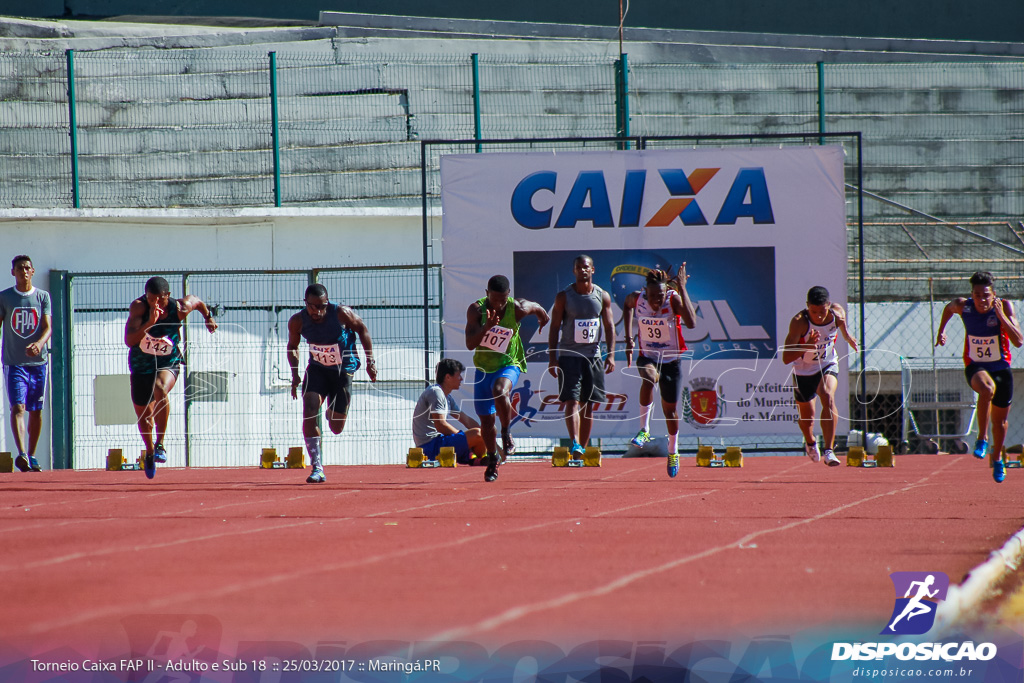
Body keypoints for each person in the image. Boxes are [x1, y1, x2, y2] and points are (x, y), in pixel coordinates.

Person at [124, 276, 218, 479]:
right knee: (144, 417)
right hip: (141, 366)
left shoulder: (180, 308)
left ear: (168, 295)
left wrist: (208, 316)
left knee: (160, 388)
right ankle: (149, 450)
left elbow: (197, 301)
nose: (155, 303)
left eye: (160, 299)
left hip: (169, 362)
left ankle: (160, 444)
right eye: (151, 299)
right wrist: (150, 322)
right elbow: (130, 340)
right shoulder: (139, 308)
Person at [935, 271, 1023, 483]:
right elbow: (948, 308)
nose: (981, 300)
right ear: (971, 295)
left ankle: (997, 459)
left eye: (985, 295)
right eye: (977, 295)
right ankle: (981, 439)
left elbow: (1018, 341)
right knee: (986, 389)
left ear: (993, 294)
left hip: (1001, 368)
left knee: (1000, 422)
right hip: (975, 365)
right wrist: (941, 331)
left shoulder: (1005, 306)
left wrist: (1000, 316)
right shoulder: (963, 306)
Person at [287, 283, 376, 484]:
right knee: (309, 409)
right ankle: (317, 466)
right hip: (317, 369)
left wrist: (370, 362)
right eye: (313, 306)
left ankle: (330, 411)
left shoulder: (341, 313)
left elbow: (362, 329)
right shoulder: (297, 321)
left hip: (343, 370)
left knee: (336, 427)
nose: (318, 311)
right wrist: (295, 375)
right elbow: (292, 346)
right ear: (305, 303)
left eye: (322, 306)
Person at [466, 274, 549, 482]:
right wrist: (487, 328)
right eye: (494, 300)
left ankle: (505, 431)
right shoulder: (476, 310)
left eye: (502, 300)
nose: (498, 304)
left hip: (509, 364)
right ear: (486, 295)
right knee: (486, 422)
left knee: (500, 390)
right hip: (483, 369)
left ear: (508, 295)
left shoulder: (517, 308)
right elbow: (469, 343)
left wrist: (542, 317)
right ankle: (493, 459)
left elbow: (537, 308)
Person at [622, 265, 697, 477]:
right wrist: (629, 339)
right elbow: (627, 307)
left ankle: (673, 451)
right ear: (646, 291)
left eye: (660, 296)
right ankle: (644, 430)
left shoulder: (672, 299)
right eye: (653, 295)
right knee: (649, 377)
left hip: (671, 361)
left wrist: (682, 288)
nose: (656, 301)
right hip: (648, 356)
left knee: (669, 412)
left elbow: (691, 323)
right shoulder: (637, 299)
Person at [781, 285, 859, 467]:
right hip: (803, 370)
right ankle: (810, 442)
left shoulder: (837, 313)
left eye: (822, 311)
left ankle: (829, 450)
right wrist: (807, 345)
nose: (818, 316)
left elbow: (842, 328)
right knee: (807, 417)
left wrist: (849, 338)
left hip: (827, 363)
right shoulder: (799, 322)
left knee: (827, 395)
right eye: (814, 311)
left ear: (829, 305)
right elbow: (786, 357)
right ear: (807, 306)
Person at [547, 255, 616, 459]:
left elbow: (609, 326)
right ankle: (575, 443)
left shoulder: (602, 296)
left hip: (593, 356)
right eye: (578, 267)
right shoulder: (564, 296)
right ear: (574, 271)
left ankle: (582, 450)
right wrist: (553, 357)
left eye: (586, 267)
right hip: (569, 355)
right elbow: (554, 327)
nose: (582, 270)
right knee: (571, 401)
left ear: (592, 270)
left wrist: (610, 355)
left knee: (588, 404)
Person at [0, 256, 52, 472]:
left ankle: (32, 454)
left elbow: (48, 327)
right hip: (14, 362)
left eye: (27, 268)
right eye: (19, 268)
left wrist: (40, 344)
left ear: (33, 271)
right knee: (18, 407)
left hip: (38, 362)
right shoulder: (5, 297)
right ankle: (21, 454)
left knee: (36, 409)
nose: (24, 272)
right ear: (13, 272)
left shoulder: (42, 297)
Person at [412, 358, 486, 464]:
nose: (461, 379)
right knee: (478, 434)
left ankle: (478, 460)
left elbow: (467, 420)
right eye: (458, 375)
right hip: (430, 446)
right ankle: (474, 457)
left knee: (483, 433)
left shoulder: (447, 397)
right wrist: (462, 437)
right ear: (447, 377)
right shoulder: (435, 392)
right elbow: (440, 425)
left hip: (440, 442)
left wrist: (488, 436)